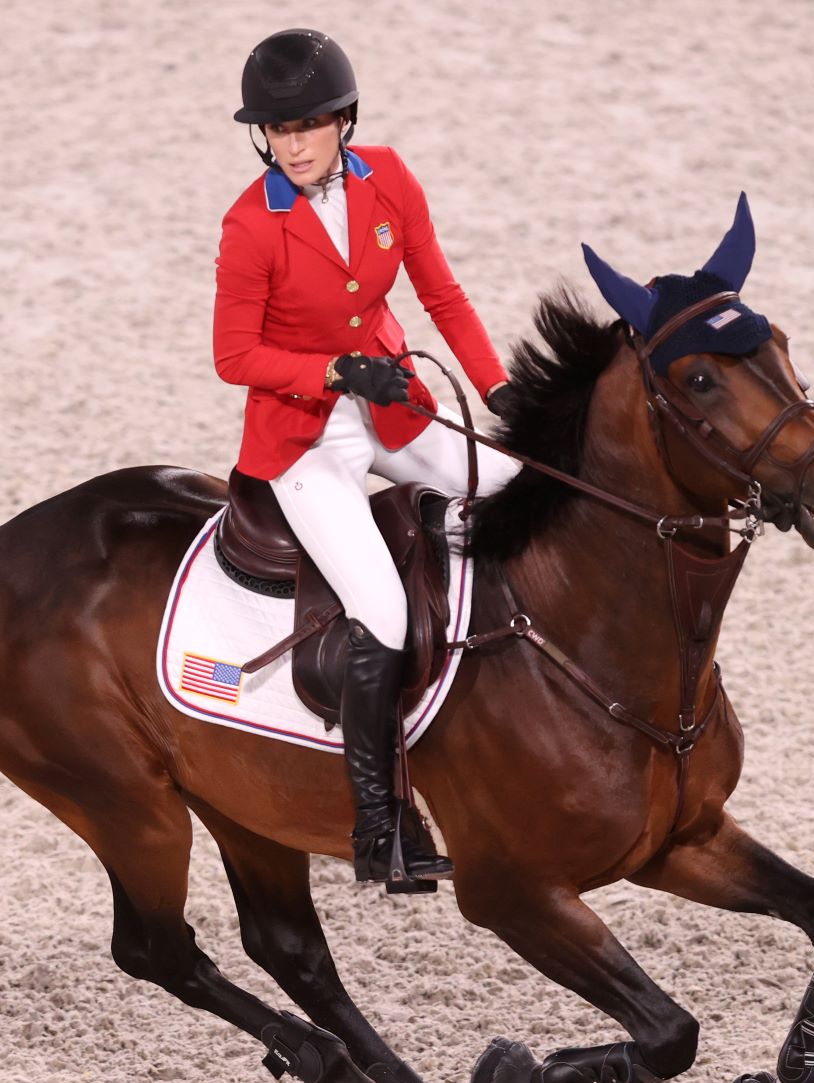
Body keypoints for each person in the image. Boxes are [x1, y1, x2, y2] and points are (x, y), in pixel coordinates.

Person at [214, 28, 520, 888]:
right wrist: (331, 370)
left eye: (309, 124)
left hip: (393, 406)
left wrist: (498, 393)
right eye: (278, 130)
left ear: (343, 120)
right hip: (303, 440)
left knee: (522, 492)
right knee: (380, 608)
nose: (294, 143)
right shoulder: (250, 227)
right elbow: (233, 357)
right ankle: (380, 824)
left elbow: (442, 292)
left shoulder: (387, 177)